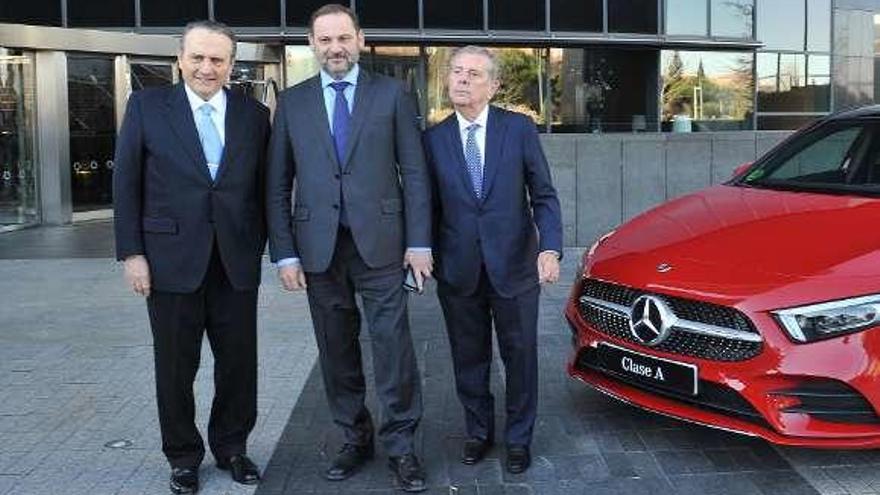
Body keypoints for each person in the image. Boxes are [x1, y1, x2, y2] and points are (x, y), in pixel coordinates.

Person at [265, 4, 432, 493]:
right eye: (324, 40)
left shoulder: (393, 95)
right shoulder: (292, 103)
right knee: (336, 351)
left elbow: (415, 173)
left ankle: (402, 446)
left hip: (382, 246)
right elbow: (277, 184)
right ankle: (354, 438)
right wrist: (285, 253)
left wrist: (419, 242)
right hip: (318, 250)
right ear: (312, 44)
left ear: (360, 39)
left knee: (393, 348)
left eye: (343, 38)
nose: (335, 48)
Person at [113, 20, 268, 495]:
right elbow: (126, 185)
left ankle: (233, 448)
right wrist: (132, 254)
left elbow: (264, 189)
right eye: (198, 57)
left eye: (217, 59)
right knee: (177, 368)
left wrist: (273, 250)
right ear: (180, 59)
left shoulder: (254, 114)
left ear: (231, 64)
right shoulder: (146, 107)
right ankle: (182, 456)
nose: (207, 67)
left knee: (239, 365)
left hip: (235, 260)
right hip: (169, 261)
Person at [422, 45, 563, 474]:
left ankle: (519, 438)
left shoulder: (518, 129)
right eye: (457, 72)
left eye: (473, 74)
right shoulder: (432, 139)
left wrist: (550, 248)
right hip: (458, 270)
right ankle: (478, 433)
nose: (461, 79)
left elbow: (543, 195)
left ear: (494, 85)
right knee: (469, 357)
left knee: (519, 356)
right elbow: (426, 206)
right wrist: (421, 252)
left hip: (515, 268)